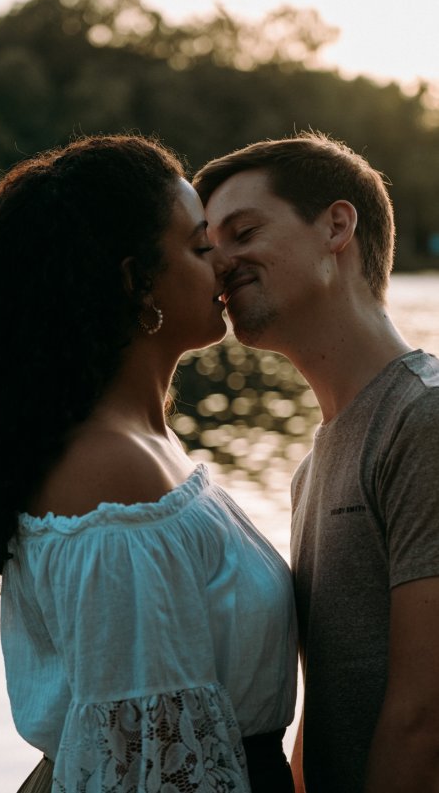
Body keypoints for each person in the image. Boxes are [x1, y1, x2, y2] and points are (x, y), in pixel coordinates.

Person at [0, 134, 298, 792]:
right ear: (134, 278)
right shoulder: (114, 476)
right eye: (201, 246)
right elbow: (153, 768)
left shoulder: (147, 445)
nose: (224, 264)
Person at [193, 131, 439, 793]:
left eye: (242, 231)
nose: (220, 265)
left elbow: (425, 719)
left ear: (336, 226)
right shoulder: (316, 460)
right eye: (208, 248)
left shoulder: (424, 418)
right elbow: (324, 707)